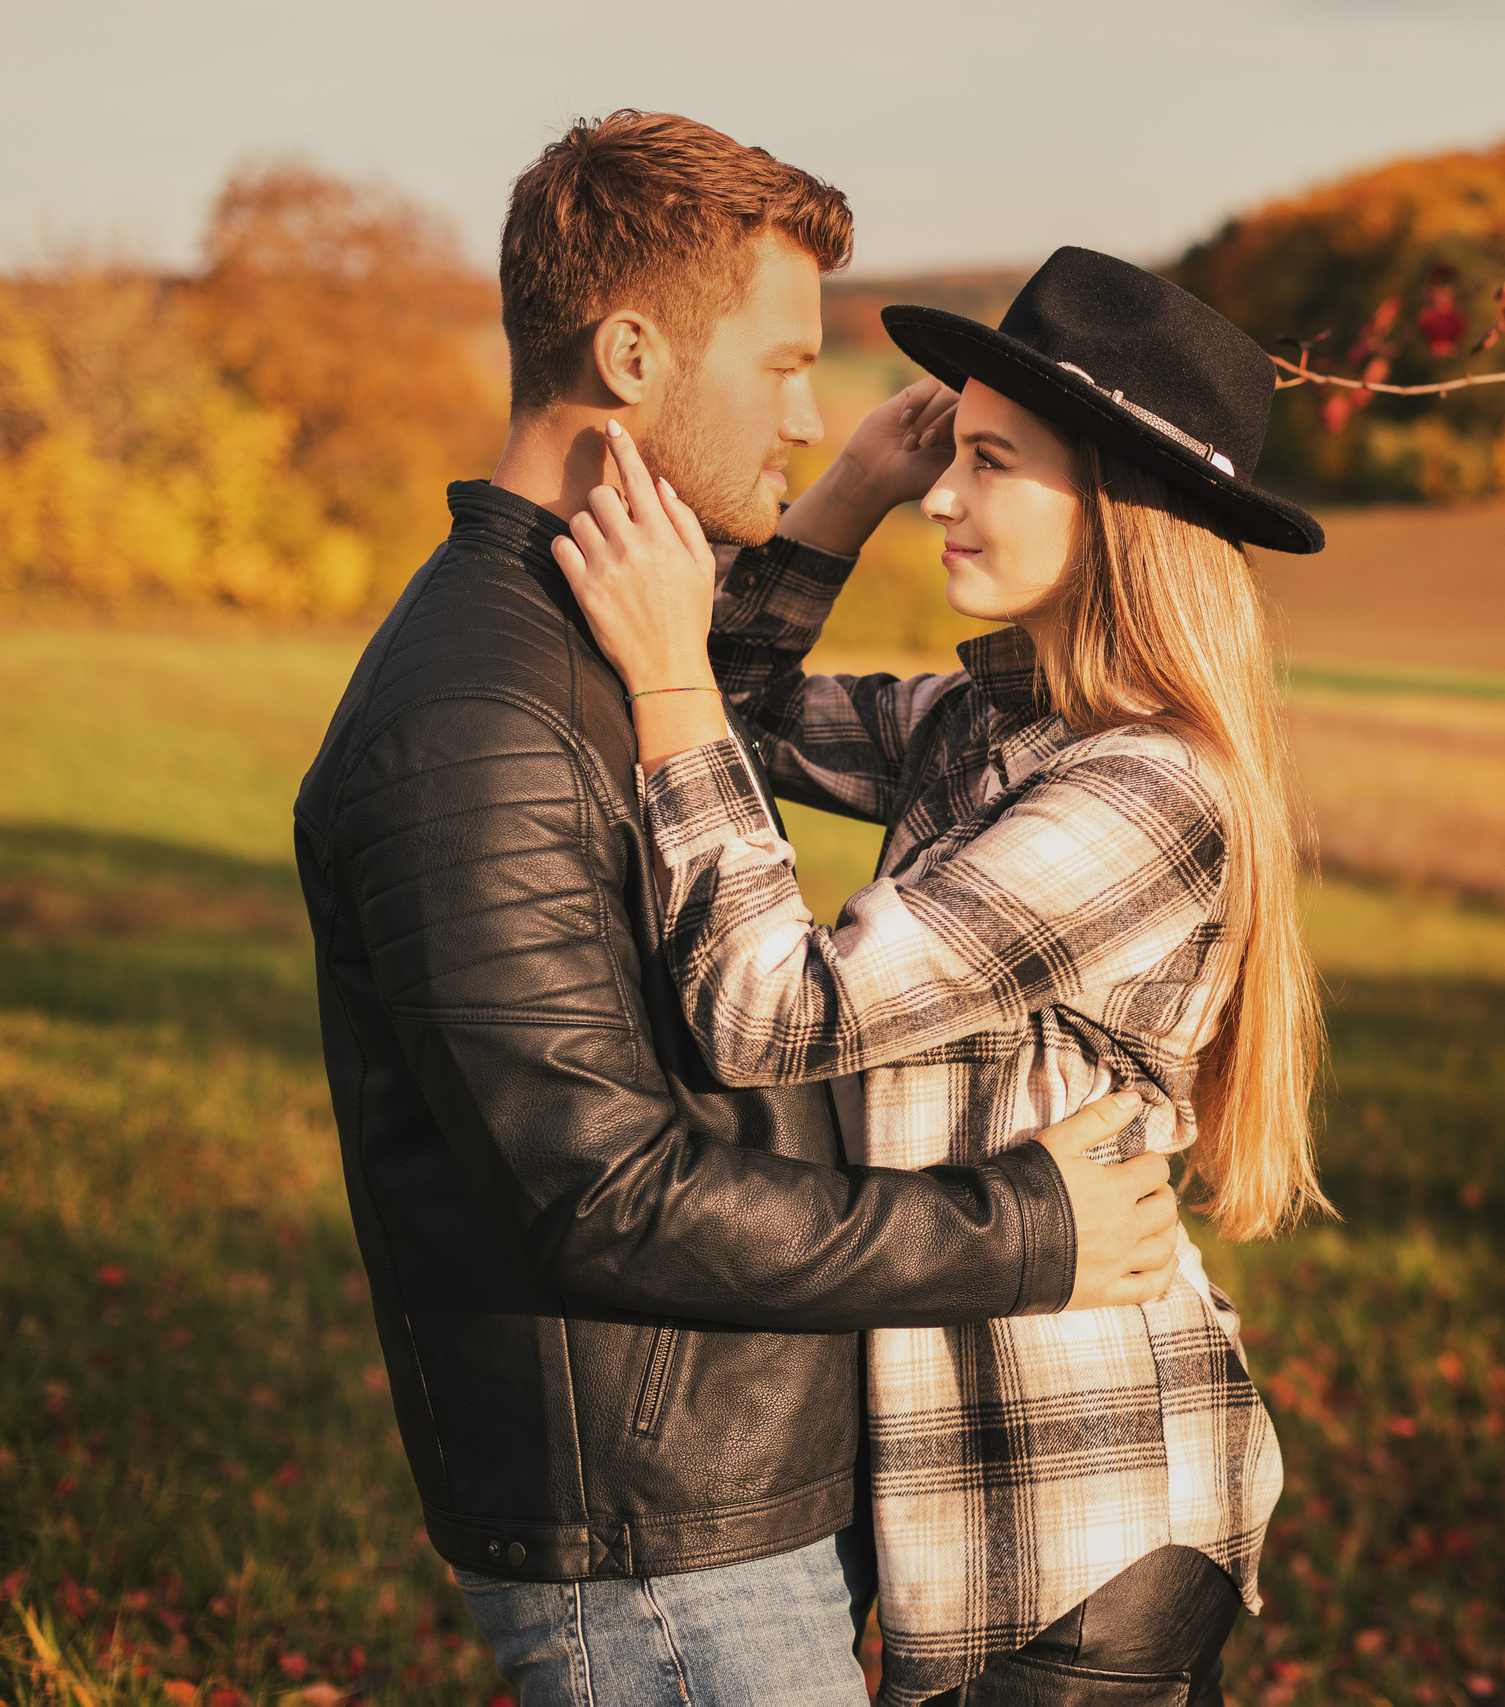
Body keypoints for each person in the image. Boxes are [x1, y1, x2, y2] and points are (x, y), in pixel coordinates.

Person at [293, 115, 1182, 1706]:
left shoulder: (604, 649)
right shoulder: (481, 714)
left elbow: (730, 719)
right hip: (657, 1530)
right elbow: (598, 1196)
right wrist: (1025, 1228)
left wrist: (804, 529)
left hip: (747, 1483)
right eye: (783, 366)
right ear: (632, 353)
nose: (814, 410)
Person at [552, 247, 1330, 1705]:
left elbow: (772, 1011)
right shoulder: (983, 727)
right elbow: (734, 713)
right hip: (980, 1515)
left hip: (1080, 1521)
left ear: (1119, 509)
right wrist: (846, 492)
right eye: (948, 457)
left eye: (993, 463)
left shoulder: (1149, 796)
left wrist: (664, 679)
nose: (946, 498)